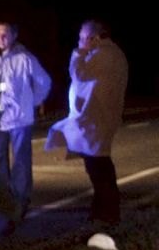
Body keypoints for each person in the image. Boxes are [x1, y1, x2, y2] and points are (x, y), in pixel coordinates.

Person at [46, 20, 128, 227]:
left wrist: (78, 53)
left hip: (97, 120)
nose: (81, 42)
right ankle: (102, 210)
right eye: (80, 38)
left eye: (84, 38)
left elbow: (79, 74)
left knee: (99, 168)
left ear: (96, 37)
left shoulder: (105, 55)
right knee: (97, 167)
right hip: (95, 120)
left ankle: (108, 213)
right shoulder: (107, 54)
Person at [0, 21, 52, 225]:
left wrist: (32, 102)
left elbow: (44, 82)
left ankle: (20, 201)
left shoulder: (24, 58)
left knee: (21, 162)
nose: (1, 38)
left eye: (5, 34)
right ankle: (3, 199)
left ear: (14, 36)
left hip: (20, 120)